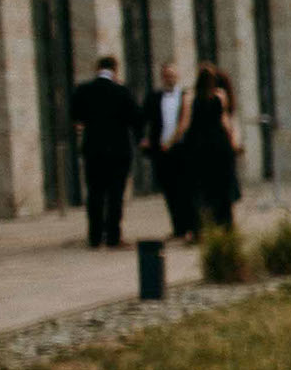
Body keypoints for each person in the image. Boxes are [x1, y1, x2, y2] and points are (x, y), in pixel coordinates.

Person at [67, 56, 144, 249]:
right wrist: (140, 140)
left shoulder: (83, 90)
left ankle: (94, 236)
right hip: (118, 151)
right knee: (115, 195)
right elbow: (136, 120)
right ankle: (113, 236)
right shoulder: (122, 92)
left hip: (93, 150)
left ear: (97, 68)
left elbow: (75, 117)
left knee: (95, 193)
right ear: (115, 70)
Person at [180, 64, 241, 231]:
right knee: (221, 185)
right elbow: (225, 121)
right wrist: (234, 141)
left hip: (198, 145)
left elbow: (185, 123)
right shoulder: (220, 96)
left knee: (200, 187)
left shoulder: (190, 97)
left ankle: (199, 227)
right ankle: (225, 223)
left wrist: (175, 141)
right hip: (218, 144)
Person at [143, 64, 196, 240]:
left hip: (182, 149)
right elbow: (144, 119)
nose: (170, 78)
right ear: (162, 77)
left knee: (186, 189)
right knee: (169, 190)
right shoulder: (154, 97)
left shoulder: (185, 96)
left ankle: (190, 226)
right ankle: (178, 227)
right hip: (162, 150)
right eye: (166, 76)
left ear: (178, 76)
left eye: (172, 75)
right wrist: (145, 140)